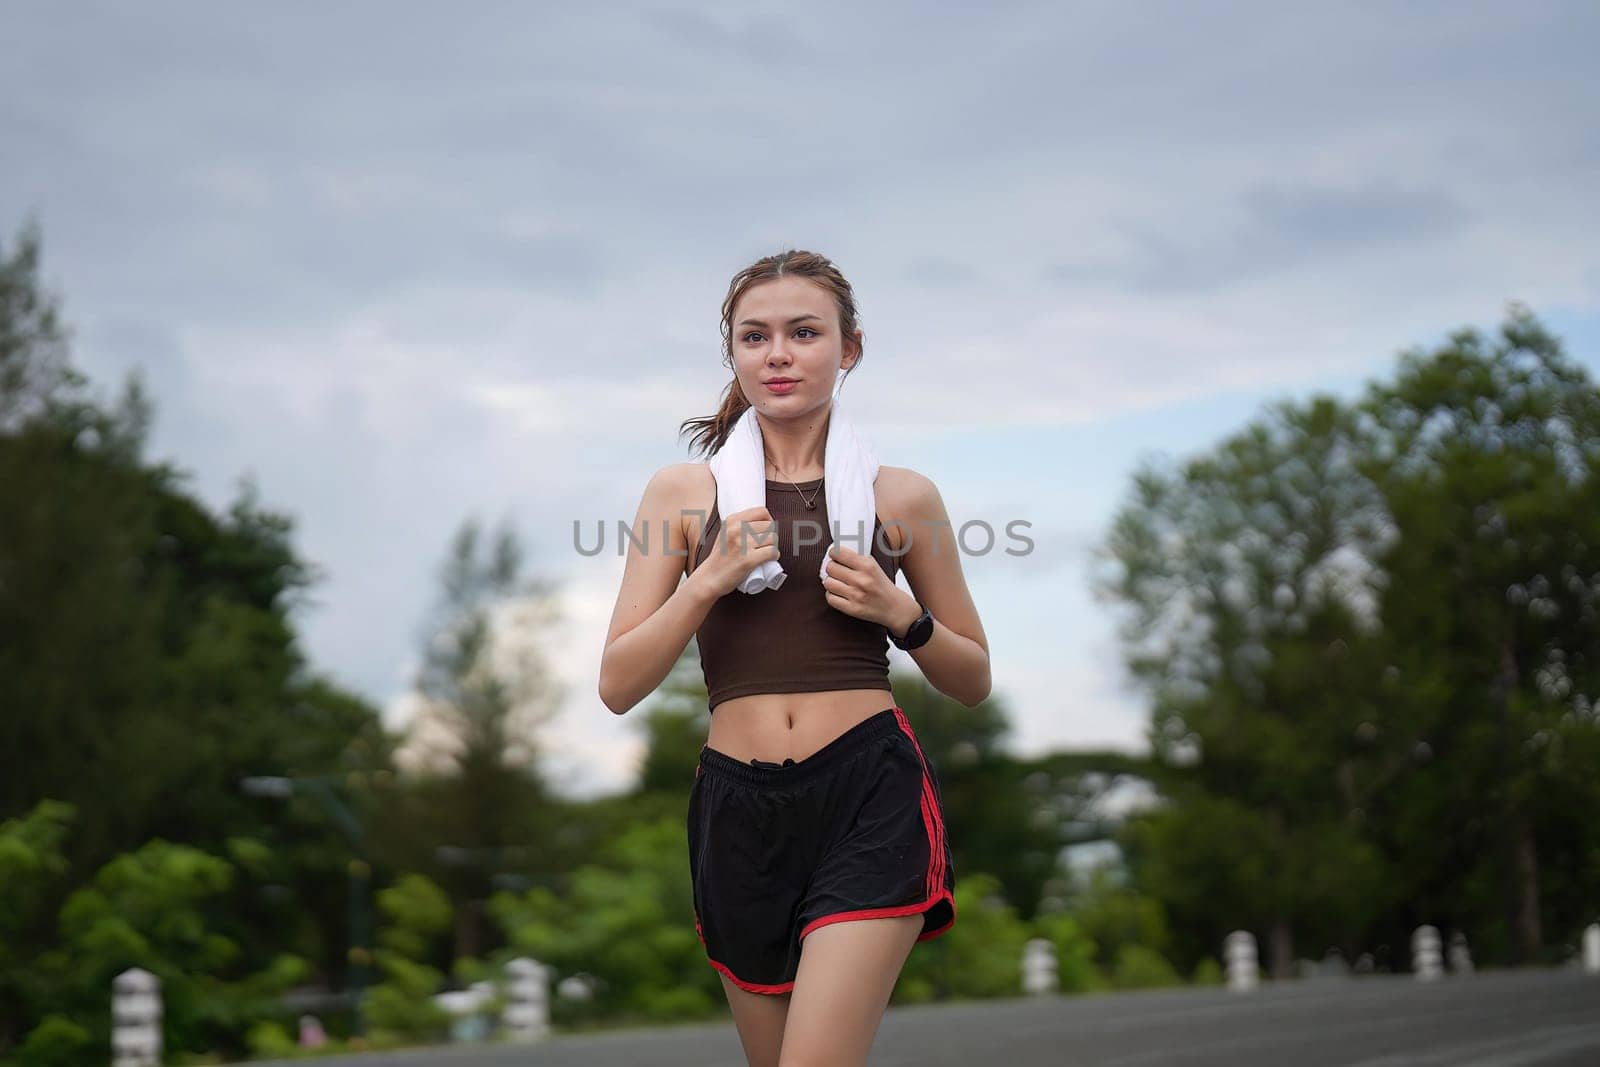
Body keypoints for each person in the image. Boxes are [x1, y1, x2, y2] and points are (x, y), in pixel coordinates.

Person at [598, 248, 991, 1066]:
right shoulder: (682, 494)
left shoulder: (901, 497)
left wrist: (902, 615)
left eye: (804, 332)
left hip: (868, 794)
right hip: (738, 811)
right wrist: (706, 581)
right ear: (734, 354)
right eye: (755, 336)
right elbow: (619, 683)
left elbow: (972, 677)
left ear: (848, 348)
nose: (777, 353)